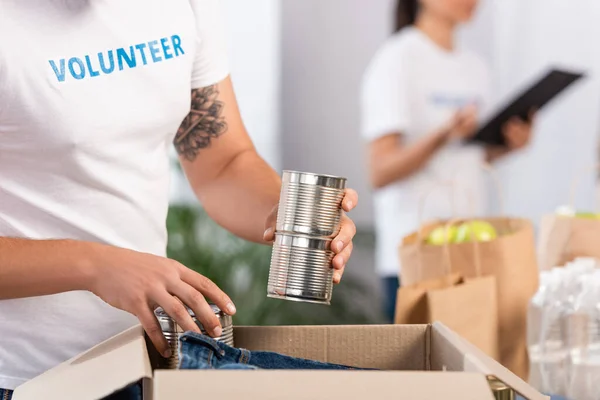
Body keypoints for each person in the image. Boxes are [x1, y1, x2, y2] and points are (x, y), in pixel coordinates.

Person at [0, 0, 358, 396]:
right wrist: (95, 265)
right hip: (25, 378)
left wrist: (281, 212)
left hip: (143, 360)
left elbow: (221, 161)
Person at [361, 0, 534, 322]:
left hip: (471, 252)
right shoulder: (397, 59)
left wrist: (508, 145)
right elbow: (380, 171)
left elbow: (469, 155)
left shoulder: (475, 66)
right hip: (415, 256)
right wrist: (442, 135)